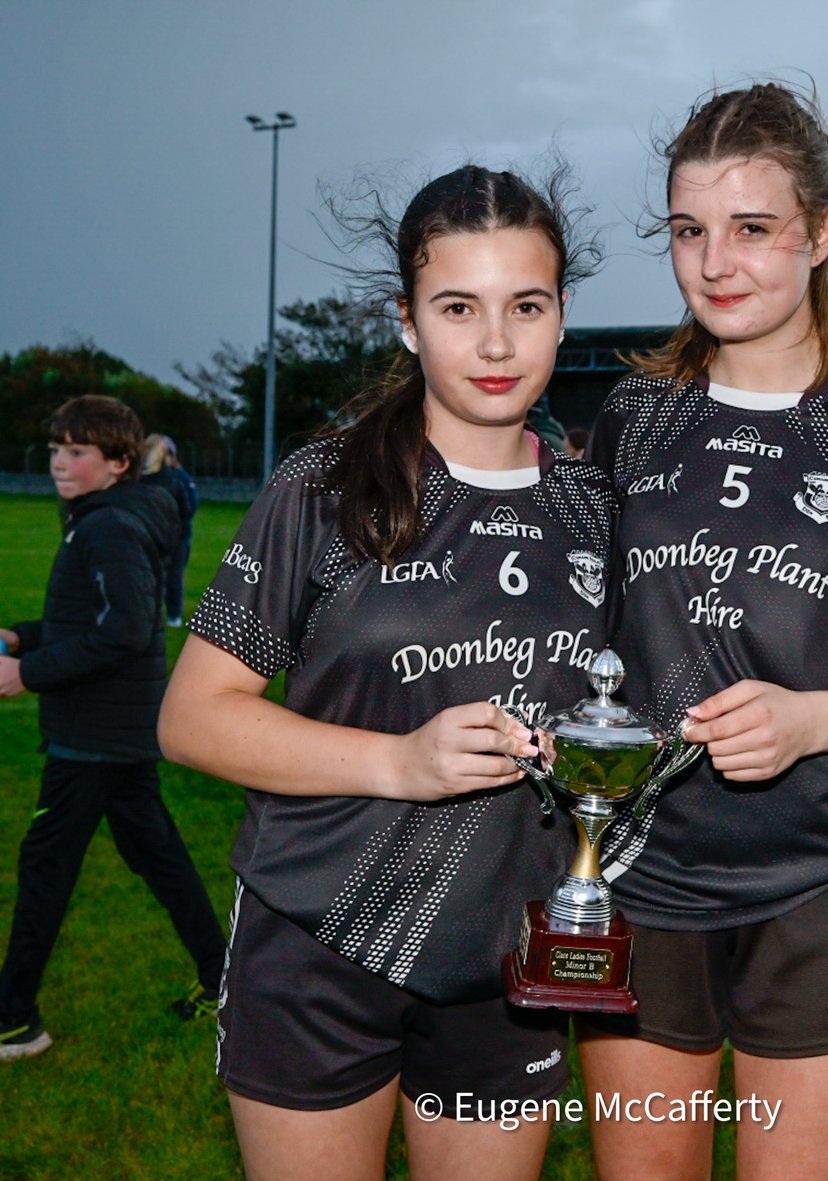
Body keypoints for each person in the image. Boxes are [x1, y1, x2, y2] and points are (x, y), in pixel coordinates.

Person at [157, 165, 613, 1181]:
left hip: (508, 957)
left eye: (525, 306)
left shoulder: (597, 507)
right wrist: (402, 760)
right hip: (318, 939)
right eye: (459, 306)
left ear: (562, 315)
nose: (495, 343)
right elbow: (194, 718)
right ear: (407, 320)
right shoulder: (323, 488)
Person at [578, 82, 828, 1181]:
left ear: (822, 233)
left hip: (825, 881)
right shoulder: (633, 415)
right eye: (689, 231)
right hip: (641, 879)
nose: (716, 264)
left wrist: (810, 718)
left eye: (752, 229)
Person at [0, 395, 227, 1062]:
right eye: (54, 450)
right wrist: (23, 636)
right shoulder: (108, 516)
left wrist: (27, 672)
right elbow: (94, 620)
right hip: (117, 729)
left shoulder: (109, 526)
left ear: (120, 461)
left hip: (97, 733)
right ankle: (223, 974)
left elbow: (126, 631)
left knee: (45, 865)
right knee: (156, 853)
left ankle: (15, 1018)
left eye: (77, 452)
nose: (59, 464)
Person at [142, 434, 199, 627]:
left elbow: (189, 507)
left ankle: (173, 615)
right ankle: (154, 613)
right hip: (155, 535)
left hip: (176, 537)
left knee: (173, 577)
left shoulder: (177, 478)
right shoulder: (144, 479)